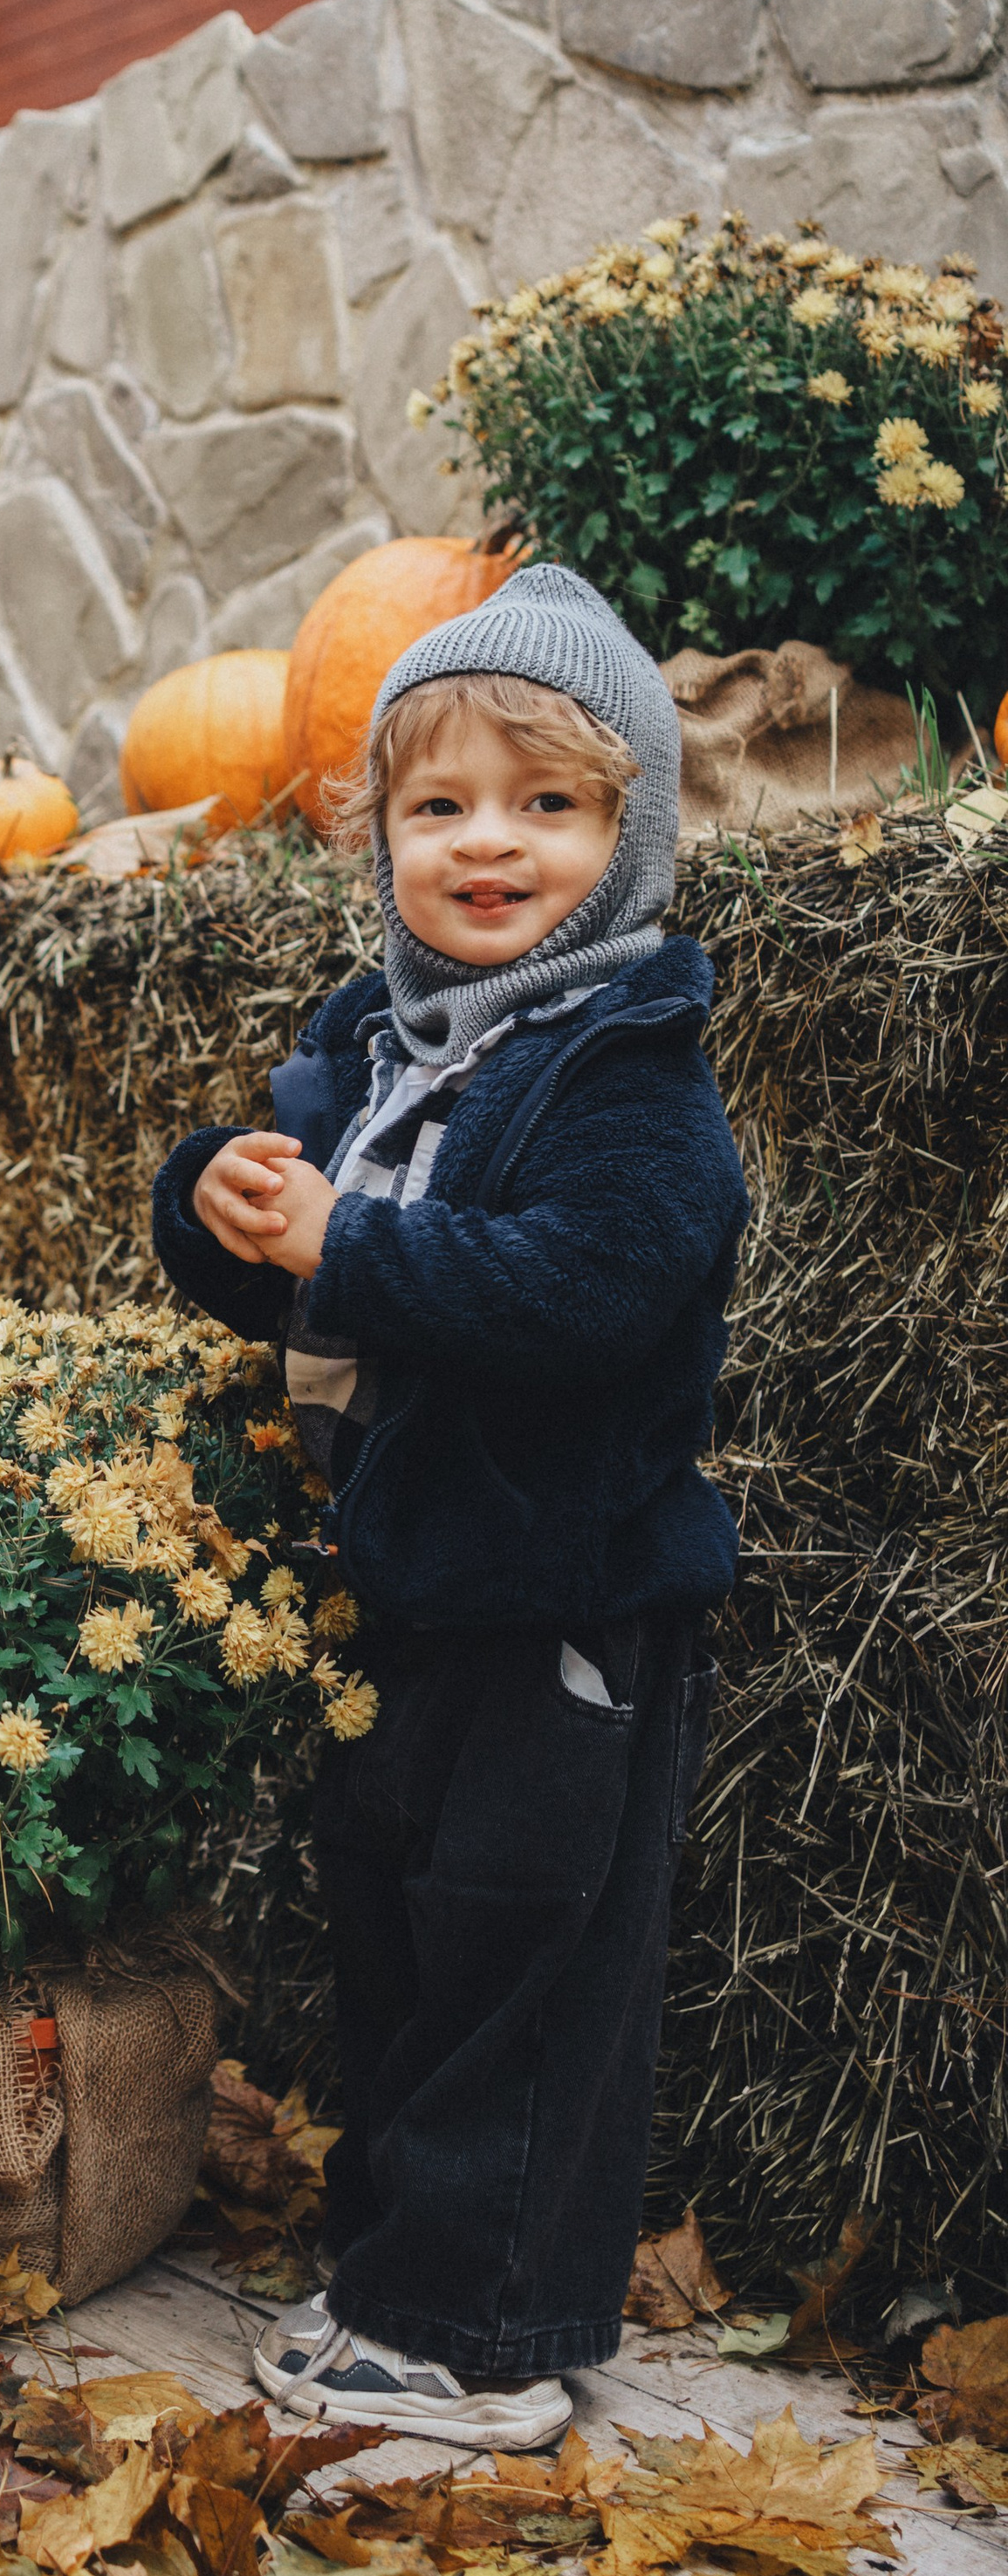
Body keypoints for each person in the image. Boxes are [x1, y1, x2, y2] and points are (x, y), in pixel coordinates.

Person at [152, 567, 747, 2450]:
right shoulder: (378, 1035)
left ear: (627, 835)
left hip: (560, 1600)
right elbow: (293, 1265)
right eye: (440, 807)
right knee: (396, 1929)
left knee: (519, 1962)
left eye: (545, 806)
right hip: (408, 1587)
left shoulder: (626, 1070)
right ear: (375, 832)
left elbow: (583, 1296)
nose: (486, 845)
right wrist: (222, 1201)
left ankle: (480, 2328)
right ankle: (398, 2270)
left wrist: (357, 1244)